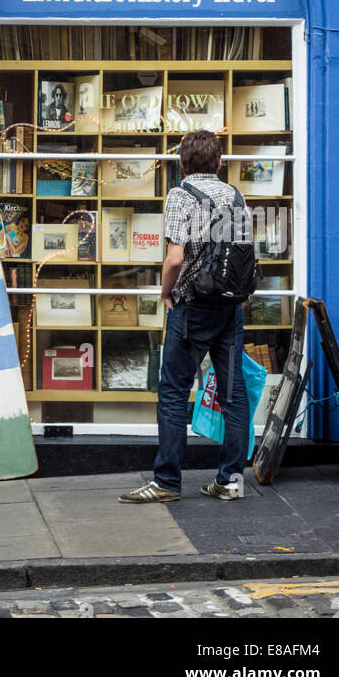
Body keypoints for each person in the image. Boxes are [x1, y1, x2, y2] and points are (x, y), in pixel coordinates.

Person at [119, 130, 252, 504]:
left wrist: (165, 293)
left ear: (181, 163)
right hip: (229, 307)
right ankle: (230, 481)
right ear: (219, 163)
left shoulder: (180, 195)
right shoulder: (234, 194)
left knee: (174, 392)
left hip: (192, 308)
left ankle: (166, 482)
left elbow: (175, 258)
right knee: (232, 393)